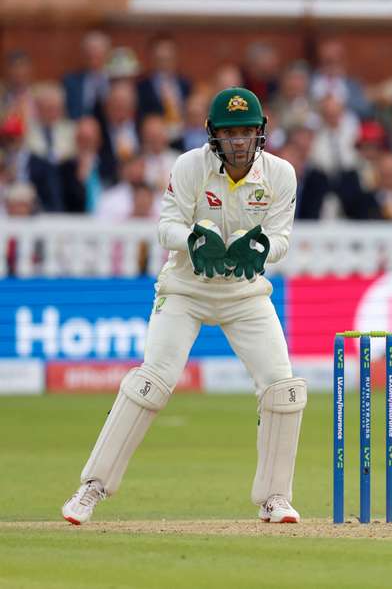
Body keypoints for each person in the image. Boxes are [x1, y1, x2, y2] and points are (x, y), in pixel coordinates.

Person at [62, 87, 306, 525]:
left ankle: (275, 498)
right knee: (151, 383)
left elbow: (282, 237)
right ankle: (91, 489)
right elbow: (167, 226)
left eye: (247, 132)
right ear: (213, 134)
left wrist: (264, 248)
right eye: (230, 133)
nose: (238, 142)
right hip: (185, 289)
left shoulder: (281, 174)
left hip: (245, 293)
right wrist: (194, 239)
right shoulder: (189, 165)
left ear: (261, 133)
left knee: (283, 389)